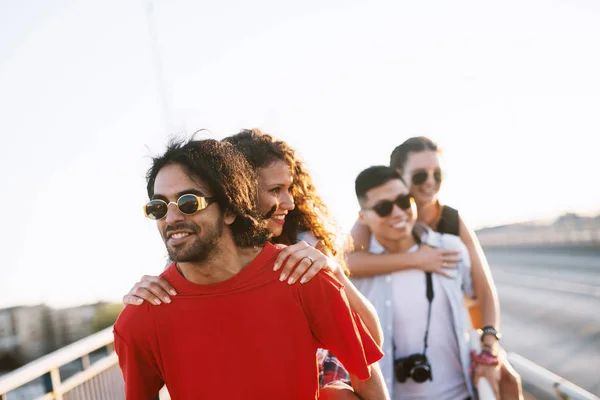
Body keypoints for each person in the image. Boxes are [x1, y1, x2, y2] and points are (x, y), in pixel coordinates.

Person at [115, 137, 388, 399]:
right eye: (158, 207)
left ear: (231, 209)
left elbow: (367, 362)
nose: (171, 218)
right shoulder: (142, 316)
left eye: (189, 202)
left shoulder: (302, 272)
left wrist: (332, 271)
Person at [349, 137, 522, 399]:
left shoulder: (451, 223)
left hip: (457, 366)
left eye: (437, 174)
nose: (430, 182)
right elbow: (348, 264)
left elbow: (484, 289)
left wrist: (489, 347)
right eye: (420, 175)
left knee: (507, 380)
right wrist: (417, 259)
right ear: (397, 177)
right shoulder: (376, 215)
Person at [353, 165, 481, 399]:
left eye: (403, 201)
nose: (398, 213)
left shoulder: (449, 249)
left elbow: (477, 302)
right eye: (383, 208)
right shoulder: (354, 273)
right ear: (363, 217)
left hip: (462, 394)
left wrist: (490, 350)